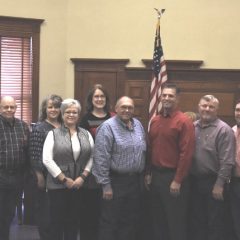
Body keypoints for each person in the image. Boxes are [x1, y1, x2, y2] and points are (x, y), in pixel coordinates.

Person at [146, 83, 195, 240]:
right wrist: (148, 172)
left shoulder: (184, 121)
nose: (166, 98)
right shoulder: (155, 120)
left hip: (173, 178)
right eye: (164, 95)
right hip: (156, 177)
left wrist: (178, 180)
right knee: (157, 220)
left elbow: (186, 154)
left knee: (175, 221)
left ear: (177, 99)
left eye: (171, 95)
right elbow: (150, 148)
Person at [92, 96, 146, 240]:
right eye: (123, 107)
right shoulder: (107, 127)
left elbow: (143, 151)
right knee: (110, 221)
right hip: (115, 182)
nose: (127, 110)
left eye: (130, 107)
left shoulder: (138, 125)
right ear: (116, 109)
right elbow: (100, 158)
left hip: (134, 181)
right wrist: (106, 185)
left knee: (130, 220)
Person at [42, 98, 94, 240]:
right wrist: (64, 179)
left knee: (74, 222)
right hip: (58, 186)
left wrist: (83, 177)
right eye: (68, 112)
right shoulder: (53, 134)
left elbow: (93, 156)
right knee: (57, 223)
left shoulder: (86, 134)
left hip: (79, 185)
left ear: (78, 115)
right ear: (62, 114)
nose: (71, 114)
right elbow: (46, 159)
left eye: (74, 112)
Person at [189, 94, 235, 240]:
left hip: (213, 183)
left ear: (217, 109)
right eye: (204, 106)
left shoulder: (224, 130)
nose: (207, 109)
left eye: (211, 107)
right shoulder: (192, 127)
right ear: (198, 107)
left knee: (214, 223)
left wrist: (219, 184)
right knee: (196, 221)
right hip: (194, 182)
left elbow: (227, 161)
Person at [79, 84, 114, 240]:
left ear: (106, 99)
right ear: (91, 100)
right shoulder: (84, 120)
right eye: (96, 96)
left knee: (107, 213)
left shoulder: (113, 117)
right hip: (91, 173)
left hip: (112, 171)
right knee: (90, 212)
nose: (99, 99)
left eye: (102, 96)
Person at [29, 94, 62, 240]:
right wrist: (39, 176)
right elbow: (34, 154)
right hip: (45, 176)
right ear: (45, 109)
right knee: (46, 214)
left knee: (58, 214)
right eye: (50, 107)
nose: (53, 109)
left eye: (57, 107)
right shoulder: (40, 128)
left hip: (62, 176)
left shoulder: (65, 126)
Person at [0, 96, 29, 240]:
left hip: (17, 176)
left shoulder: (23, 126)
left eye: (12, 107)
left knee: (9, 214)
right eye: (6, 107)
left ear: (16, 108)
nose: (9, 110)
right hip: (1, 174)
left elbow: (27, 151)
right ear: (0, 108)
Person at [230, 99, 240, 240]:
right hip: (234, 182)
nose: (239, 113)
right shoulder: (231, 130)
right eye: (238, 110)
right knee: (235, 218)